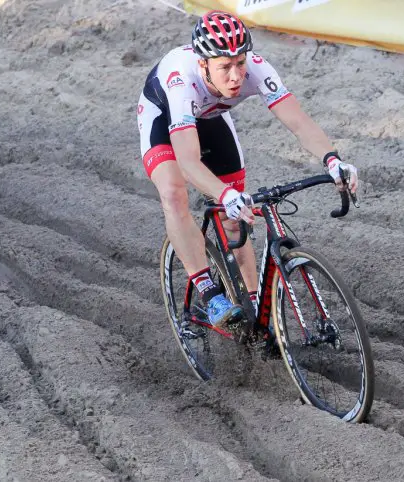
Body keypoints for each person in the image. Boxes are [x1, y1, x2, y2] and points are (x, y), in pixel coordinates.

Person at [137, 10, 358, 327]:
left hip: (211, 117)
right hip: (164, 118)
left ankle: (257, 316)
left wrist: (333, 160)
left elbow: (298, 121)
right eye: (224, 67)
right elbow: (188, 160)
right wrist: (224, 193)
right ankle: (209, 294)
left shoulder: (256, 69)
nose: (236, 76)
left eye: (240, 63)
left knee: (234, 220)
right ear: (203, 65)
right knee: (174, 194)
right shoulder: (181, 80)